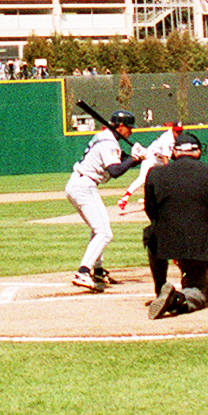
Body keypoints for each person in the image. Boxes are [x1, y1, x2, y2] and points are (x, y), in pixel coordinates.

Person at [142, 132, 208, 319]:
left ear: (175, 152)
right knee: (197, 291)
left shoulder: (155, 173)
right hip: (198, 241)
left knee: (152, 233)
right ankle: (177, 299)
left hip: (164, 240)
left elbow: (151, 211)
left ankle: (161, 288)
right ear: (198, 152)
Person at [65, 111, 145, 291]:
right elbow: (115, 171)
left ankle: (98, 271)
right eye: (129, 128)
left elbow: (122, 159)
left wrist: (138, 156)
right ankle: (83, 272)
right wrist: (134, 158)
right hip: (84, 185)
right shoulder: (108, 142)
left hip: (78, 184)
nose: (131, 132)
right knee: (104, 233)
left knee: (98, 229)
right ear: (121, 126)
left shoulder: (104, 138)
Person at [116, 123, 177, 214]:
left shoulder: (174, 138)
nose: (178, 133)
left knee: (161, 180)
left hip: (158, 158)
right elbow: (165, 157)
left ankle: (155, 200)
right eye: (177, 130)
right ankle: (124, 199)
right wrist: (167, 170)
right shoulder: (168, 138)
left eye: (180, 131)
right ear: (173, 130)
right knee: (143, 178)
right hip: (151, 157)